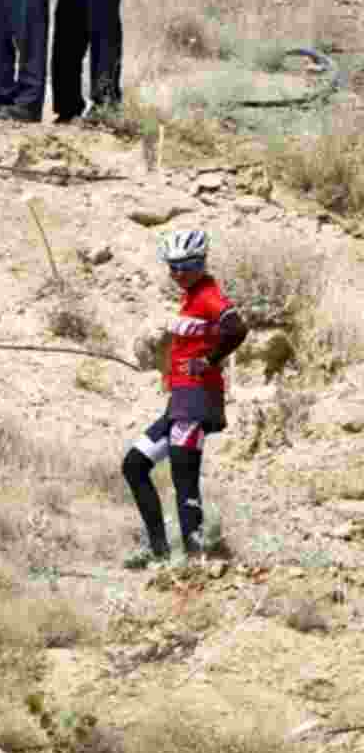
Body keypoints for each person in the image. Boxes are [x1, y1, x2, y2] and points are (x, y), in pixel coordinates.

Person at [122, 230, 247, 568]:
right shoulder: (191, 297)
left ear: (201, 263)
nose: (177, 273)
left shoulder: (208, 295)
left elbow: (237, 328)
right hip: (180, 401)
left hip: (197, 400)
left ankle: (195, 561)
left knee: (184, 480)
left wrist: (209, 360)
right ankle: (160, 551)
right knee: (134, 465)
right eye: (172, 267)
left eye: (185, 266)